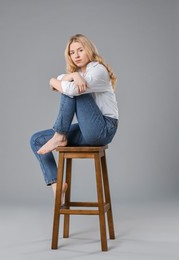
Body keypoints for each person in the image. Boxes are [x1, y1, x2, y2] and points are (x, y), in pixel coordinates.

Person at [30, 34, 119, 203]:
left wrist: (56, 79)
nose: (76, 55)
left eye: (80, 50)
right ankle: (57, 185)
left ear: (89, 51)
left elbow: (65, 88)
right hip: (88, 128)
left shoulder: (98, 70)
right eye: (72, 52)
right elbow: (59, 84)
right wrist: (73, 76)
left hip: (104, 128)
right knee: (36, 140)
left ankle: (60, 135)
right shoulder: (78, 74)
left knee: (72, 91)